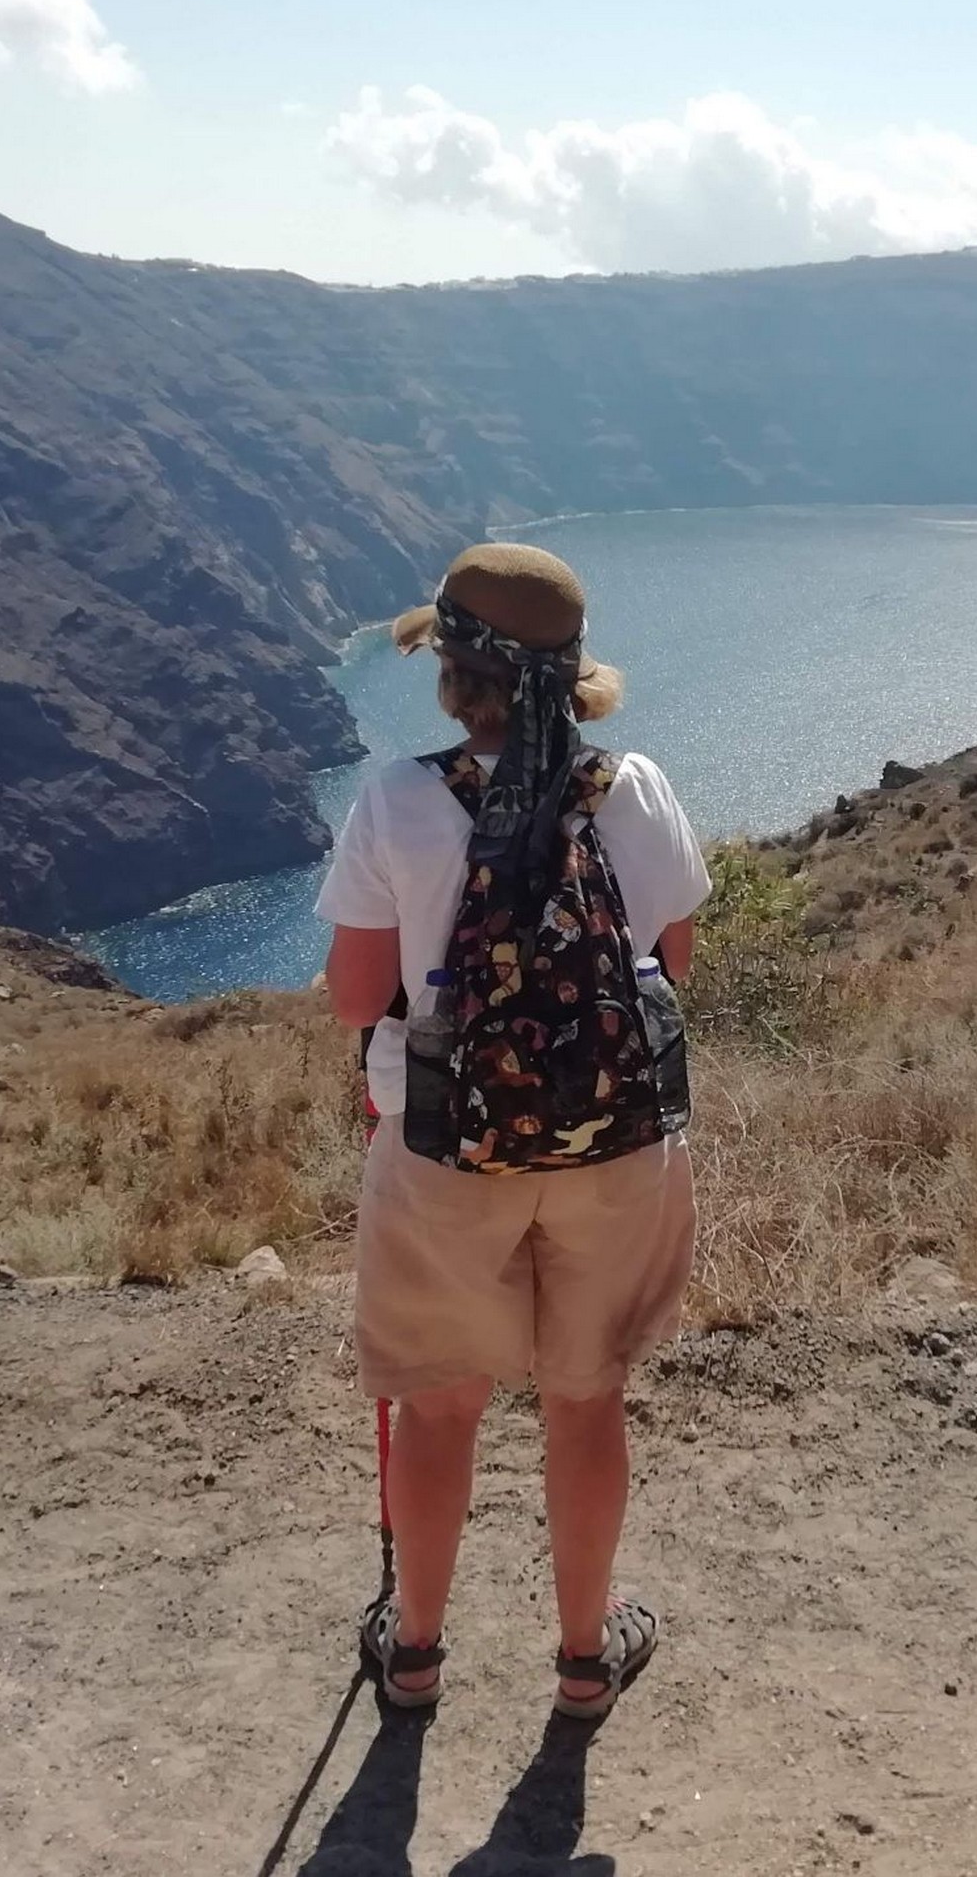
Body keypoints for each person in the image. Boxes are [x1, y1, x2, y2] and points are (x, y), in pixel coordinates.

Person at [317, 541, 710, 1716]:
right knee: (584, 1398)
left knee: (441, 1404)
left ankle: (419, 1652)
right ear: (570, 677)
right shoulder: (630, 787)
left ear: (451, 670)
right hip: (614, 1147)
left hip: (442, 1143)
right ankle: (585, 1659)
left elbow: (352, 998)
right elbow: (670, 969)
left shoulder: (395, 798)